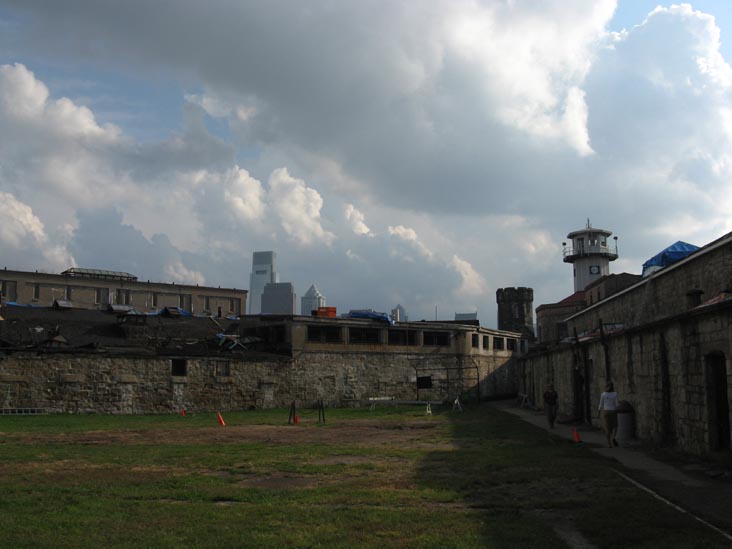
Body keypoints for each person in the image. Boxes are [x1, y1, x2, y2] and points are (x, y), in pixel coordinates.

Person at [598, 382, 619, 447]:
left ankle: (609, 443)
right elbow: (617, 404)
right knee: (615, 426)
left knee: (607, 428)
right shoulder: (615, 394)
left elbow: (601, 404)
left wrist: (598, 412)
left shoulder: (603, 394)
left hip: (606, 412)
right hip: (613, 411)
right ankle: (613, 437)